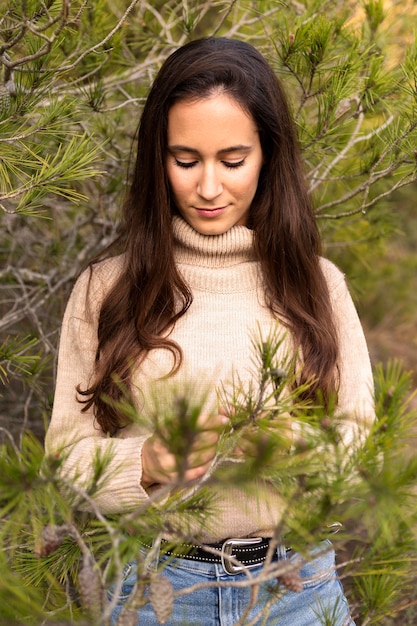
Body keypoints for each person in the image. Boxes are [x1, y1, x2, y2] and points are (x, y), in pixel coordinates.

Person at [45, 37, 375, 625]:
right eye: (186, 159)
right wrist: (145, 464)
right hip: (153, 593)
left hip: (295, 588)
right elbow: (66, 454)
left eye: (232, 159)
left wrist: (293, 451)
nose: (209, 188)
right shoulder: (107, 289)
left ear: (268, 155)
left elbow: (357, 437)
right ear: (158, 158)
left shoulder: (318, 286)